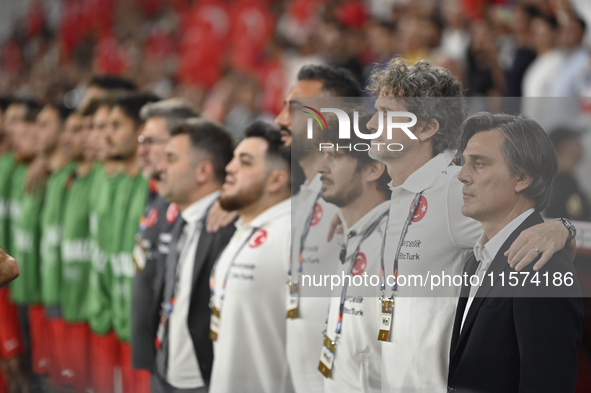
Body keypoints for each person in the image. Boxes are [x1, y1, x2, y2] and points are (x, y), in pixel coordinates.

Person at [361, 57, 576, 392]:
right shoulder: (403, 193)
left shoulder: (455, 188)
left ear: (426, 128)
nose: (371, 124)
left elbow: (525, 226)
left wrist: (562, 228)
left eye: (387, 114)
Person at [448, 112, 583, 393]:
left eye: (479, 163)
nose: (462, 175)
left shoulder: (542, 265)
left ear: (522, 178)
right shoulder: (477, 260)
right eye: (464, 162)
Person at [274, 64, 362, 393]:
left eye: (293, 109)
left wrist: (536, 230)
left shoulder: (366, 193)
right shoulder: (303, 197)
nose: (279, 120)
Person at [150, 119, 235, 393]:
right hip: (166, 371)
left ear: (203, 171)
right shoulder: (182, 216)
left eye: (171, 159)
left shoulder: (230, 225)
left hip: (203, 382)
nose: (159, 167)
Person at [209, 122, 294, 393]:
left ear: (277, 179)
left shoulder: (292, 233)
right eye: (234, 159)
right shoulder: (243, 227)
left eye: (244, 163)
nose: (229, 168)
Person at [315, 114, 391, 392]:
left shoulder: (393, 242)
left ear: (373, 168)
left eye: (335, 156)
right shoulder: (356, 233)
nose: (320, 168)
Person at [131, 98, 198, 371]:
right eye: (141, 140)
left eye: (151, 141)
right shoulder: (157, 195)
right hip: (154, 360)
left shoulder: (192, 206)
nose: (142, 150)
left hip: (178, 364)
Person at [546, 127, 591, 221]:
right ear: (565, 147)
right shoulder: (563, 183)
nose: (580, 145)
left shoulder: (561, 180)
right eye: (575, 140)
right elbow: (577, 217)